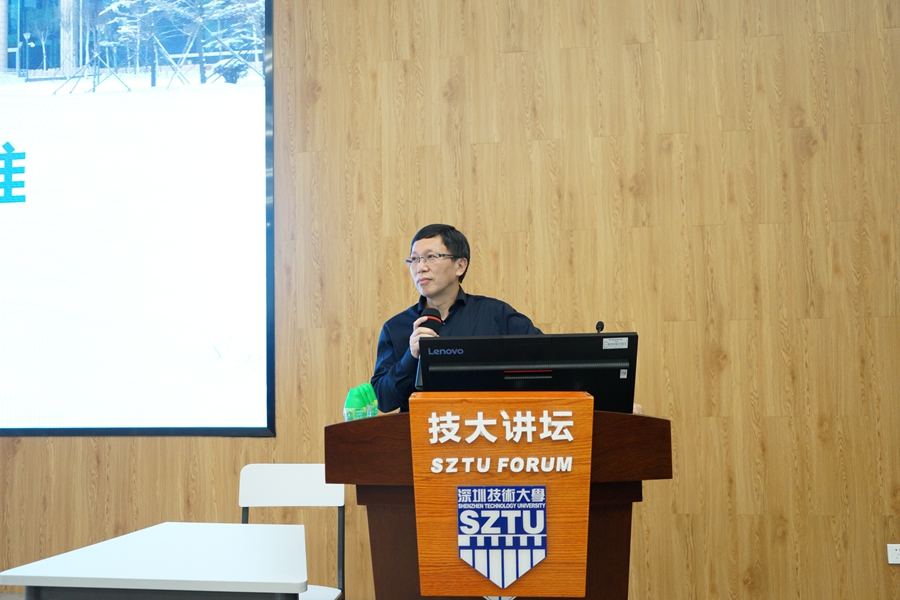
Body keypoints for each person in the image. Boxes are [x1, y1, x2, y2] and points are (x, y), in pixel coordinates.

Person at [371, 224, 541, 412]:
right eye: (414, 259)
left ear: (460, 265)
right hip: (422, 428)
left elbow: (545, 361)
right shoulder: (395, 327)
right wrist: (410, 357)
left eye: (431, 257)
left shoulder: (495, 314)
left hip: (486, 424)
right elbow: (383, 401)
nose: (420, 267)